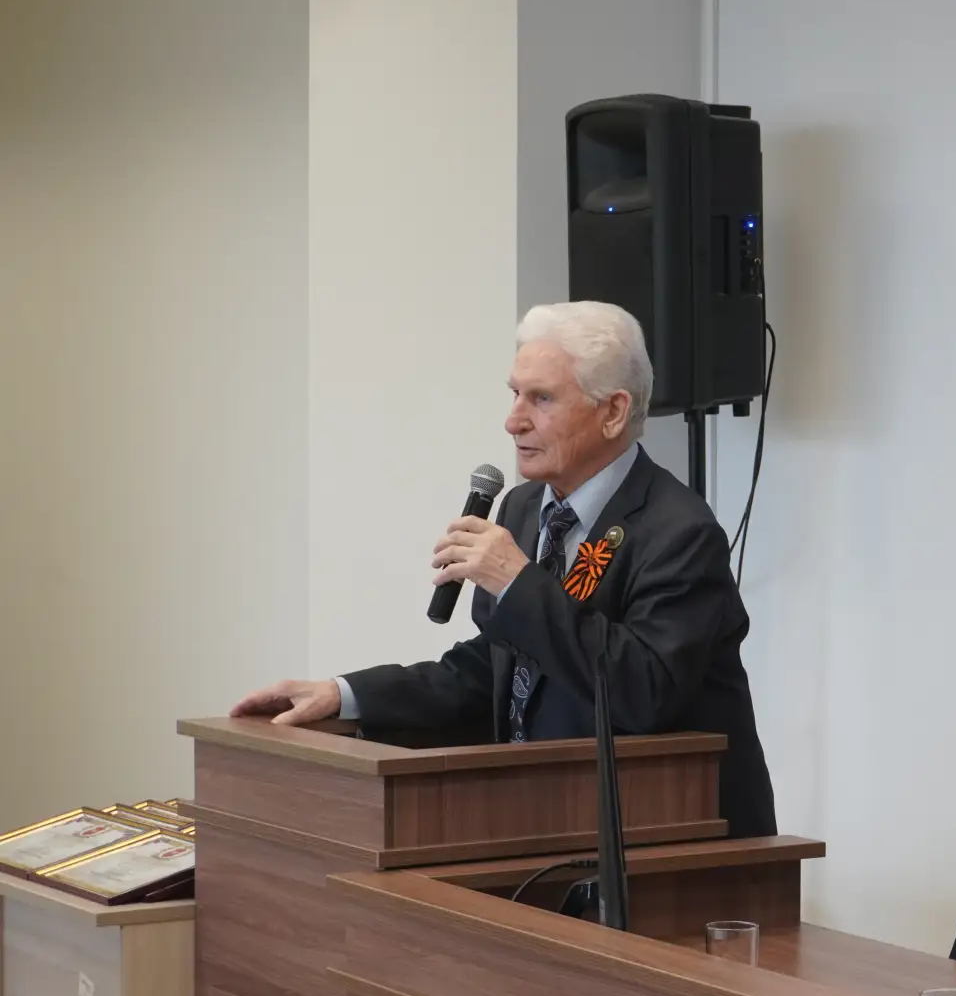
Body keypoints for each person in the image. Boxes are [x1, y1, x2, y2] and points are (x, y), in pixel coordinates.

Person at [231, 301, 776, 837]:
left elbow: (644, 691)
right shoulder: (522, 507)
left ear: (613, 411)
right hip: (545, 821)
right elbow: (495, 670)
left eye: (542, 398)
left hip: (675, 837)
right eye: (515, 394)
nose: (513, 421)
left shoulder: (679, 530)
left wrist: (516, 581)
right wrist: (347, 694)